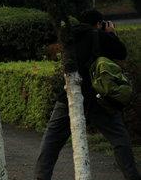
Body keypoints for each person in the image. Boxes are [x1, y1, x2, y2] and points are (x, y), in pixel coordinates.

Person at [34, 9, 140, 180]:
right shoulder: (99, 36)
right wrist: (112, 34)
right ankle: (132, 175)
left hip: (69, 96)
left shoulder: (69, 36)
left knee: (52, 140)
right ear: (98, 23)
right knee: (119, 138)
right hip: (98, 99)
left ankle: (41, 176)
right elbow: (121, 52)